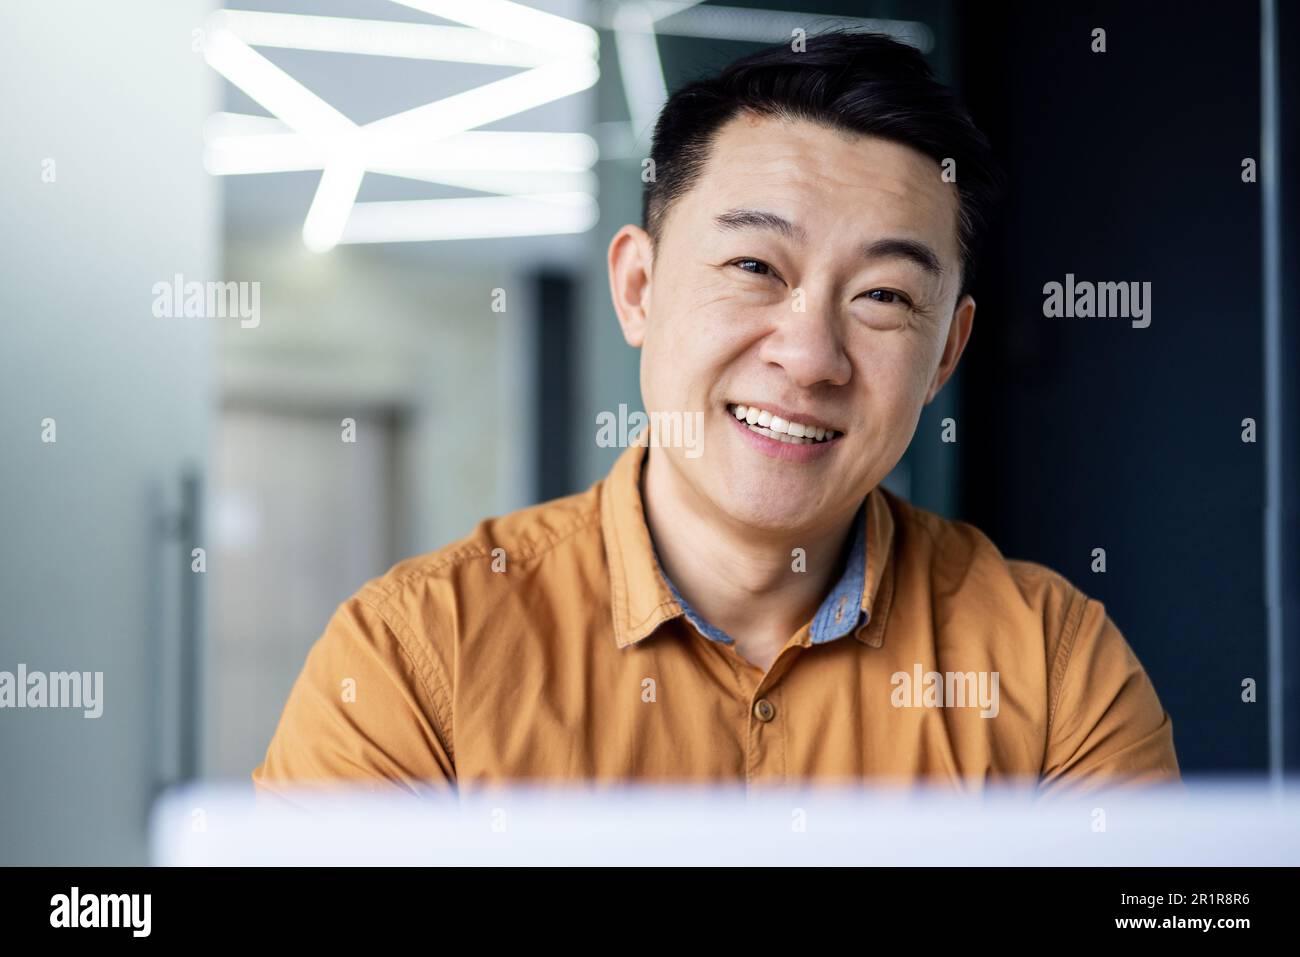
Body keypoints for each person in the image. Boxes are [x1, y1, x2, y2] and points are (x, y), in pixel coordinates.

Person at [253, 30, 1179, 801]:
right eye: (753, 269)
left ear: (945, 353)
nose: (810, 356)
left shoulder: (1056, 671)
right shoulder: (415, 659)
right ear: (639, 288)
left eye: (886, 296)